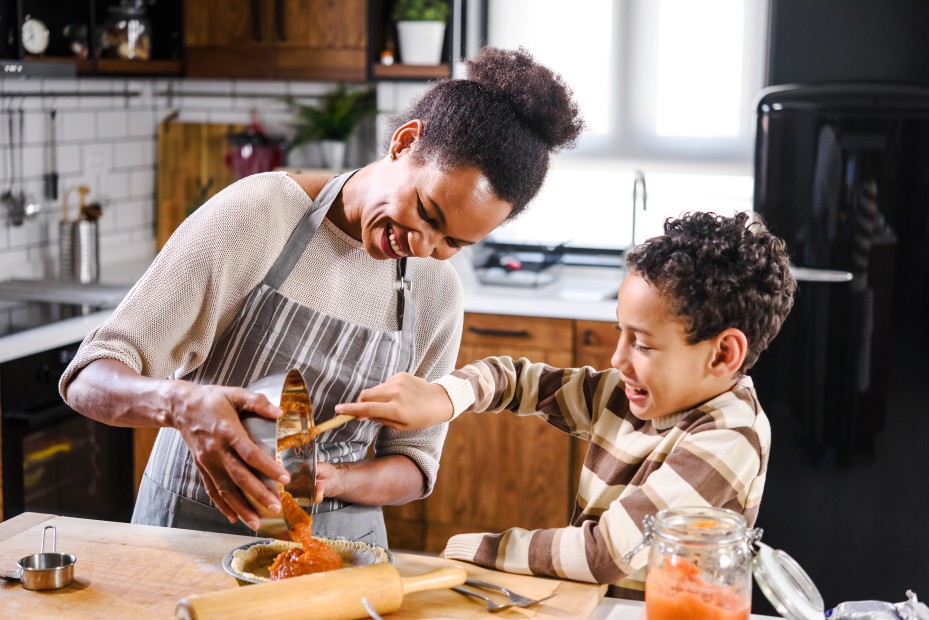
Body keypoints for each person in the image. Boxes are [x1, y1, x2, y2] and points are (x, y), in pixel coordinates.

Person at [58, 46, 584, 547]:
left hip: (339, 553)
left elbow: (414, 466)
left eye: (454, 242)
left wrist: (336, 480)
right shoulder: (261, 214)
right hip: (191, 533)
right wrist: (180, 403)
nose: (423, 246)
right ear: (403, 143)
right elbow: (89, 378)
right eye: (427, 212)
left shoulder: (436, 292)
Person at [336, 211, 797, 596]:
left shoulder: (729, 434)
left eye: (644, 345)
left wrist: (483, 550)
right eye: (622, 333)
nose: (618, 360)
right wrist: (444, 397)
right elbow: (516, 380)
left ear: (722, 354)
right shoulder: (627, 395)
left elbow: (604, 553)